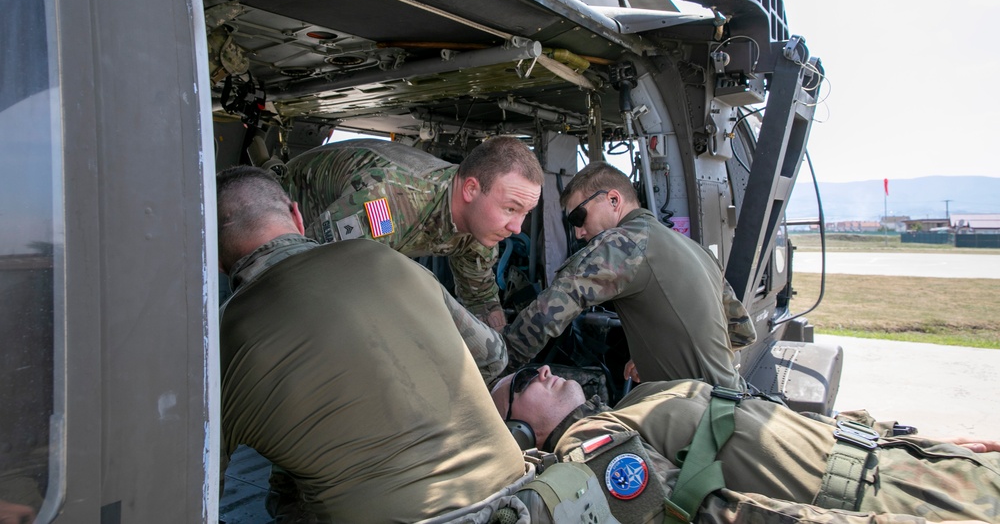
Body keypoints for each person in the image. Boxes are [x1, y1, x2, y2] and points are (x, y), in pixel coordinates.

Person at [217, 166, 526, 522]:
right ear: (296, 216)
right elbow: (494, 356)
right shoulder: (386, 258)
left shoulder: (222, 337)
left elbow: (193, 488)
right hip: (514, 498)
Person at [492, 366, 1000, 524]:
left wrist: (916, 441)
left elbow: (769, 416)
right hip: (898, 506)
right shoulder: (589, 445)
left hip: (913, 464)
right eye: (523, 384)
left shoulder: (636, 400)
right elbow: (719, 516)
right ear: (520, 432)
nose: (545, 370)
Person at [503, 162, 753, 390]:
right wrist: (656, 354)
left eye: (579, 217)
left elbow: (547, 313)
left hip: (692, 415)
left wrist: (494, 368)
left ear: (613, 199)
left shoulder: (623, 243)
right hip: (732, 401)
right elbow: (741, 332)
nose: (579, 232)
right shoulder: (695, 250)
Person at [283, 136, 544, 329]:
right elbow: (305, 275)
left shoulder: (483, 227)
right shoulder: (390, 204)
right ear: (471, 189)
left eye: (526, 213)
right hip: (285, 202)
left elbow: (481, 301)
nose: (517, 228)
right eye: (511, 208)